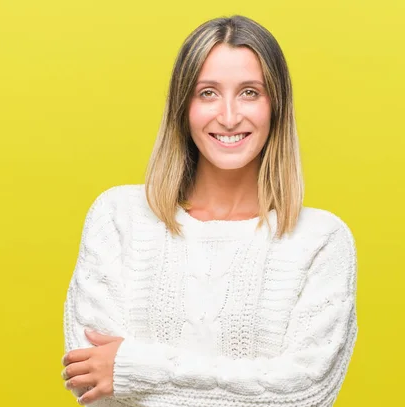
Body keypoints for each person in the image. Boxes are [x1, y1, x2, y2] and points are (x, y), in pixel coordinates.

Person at [61, 15, 358, 407]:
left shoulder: (322, 241)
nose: (230, 116)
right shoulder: (118, 218)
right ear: (183, 105)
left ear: (277, 106)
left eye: (250, 92)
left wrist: (133, 369)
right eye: (208, 93)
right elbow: (91, 383)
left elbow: (305, 393)